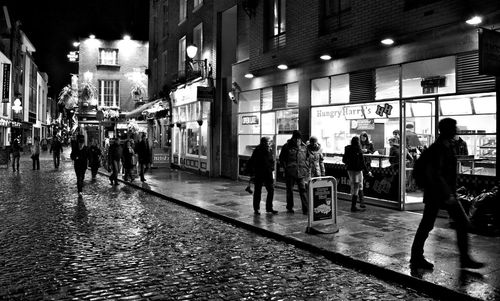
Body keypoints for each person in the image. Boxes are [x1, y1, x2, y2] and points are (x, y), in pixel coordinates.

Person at [410, 118, 485, 270]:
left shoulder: (446, 145)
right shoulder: (438, 148)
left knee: (430, 224)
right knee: (432, 224)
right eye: (453, 127)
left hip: (442, 194)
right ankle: (417, 257)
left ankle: (463, 258)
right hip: (440, 194)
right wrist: (449, 194)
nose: (455, 130)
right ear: (446, 130)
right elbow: (436, 174)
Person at [279, 130, 309, 214]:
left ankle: (305, 209)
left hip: (301, 172)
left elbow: (307, 158)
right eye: (296, 138)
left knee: (303, 190)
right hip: (290, 172)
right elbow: (282, 159)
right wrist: (286, 169)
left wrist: (306, 168)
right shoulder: (286, 146)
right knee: (290, 190)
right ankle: (289, 207)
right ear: (293, 138)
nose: (297, 140)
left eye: (299, 138)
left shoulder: (304, 147)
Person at [247, 136, 277, 215]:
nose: (269, 143)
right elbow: (252, 162)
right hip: (259, 173)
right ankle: (256, 208)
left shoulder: (269, 149)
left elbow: (271, 161)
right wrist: (252, 173)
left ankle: (269, 208)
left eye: (269, 142)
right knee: (258, 191)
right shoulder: (258, 150)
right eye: (267, 142)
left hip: (268, 173)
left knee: (271, 190)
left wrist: (272, 170)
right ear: (263, 142)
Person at [343, 136, 372, 211]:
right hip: (357, 171)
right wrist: (367, 172)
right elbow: (362, 163)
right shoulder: (358, 150)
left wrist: (349, 163)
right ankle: (353, 206)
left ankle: (359, 203)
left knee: (356, 185)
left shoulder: (347, 148)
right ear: (358, 142)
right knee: (357, 187)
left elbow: (344, 160)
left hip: (350, 170)